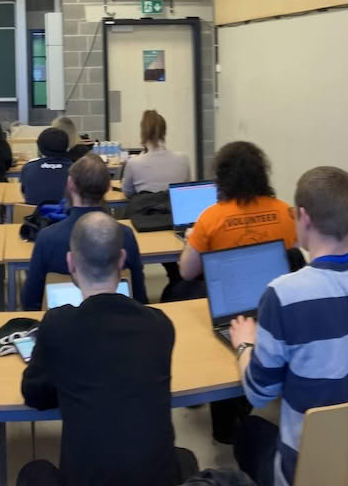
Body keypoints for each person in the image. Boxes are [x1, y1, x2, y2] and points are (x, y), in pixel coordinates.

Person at [229, 167, 348, 486]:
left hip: (309, 473)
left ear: (303, 217)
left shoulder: (284, 294)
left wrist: (244, 344)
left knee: (249, 433)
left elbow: (259, 392)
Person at [19, 212, 190, 486]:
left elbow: (34, 394)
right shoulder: (160, 325)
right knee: (183, 458)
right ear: (122, 260)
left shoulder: (57, 325)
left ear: (71, 262)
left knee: (32, 471)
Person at [21, 155, 148, 311]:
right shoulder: (125, 235)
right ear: (108, 186)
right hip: (117, 319)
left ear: (70, 184)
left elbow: (30, 301)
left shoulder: (47, 238)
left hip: (60, 323)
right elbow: (140, 297)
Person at [177, 141, 296, 282]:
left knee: (174, 290)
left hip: (230, 299)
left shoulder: (210, 218)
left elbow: (187, 272)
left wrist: (191, 241)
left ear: (221, 177)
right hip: (278, 297)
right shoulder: (288, 213)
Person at [121, 110, 192, 195]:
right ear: (164, 132)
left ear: (143, 134)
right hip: (174, 208)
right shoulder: (183, 159)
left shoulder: (133, 163)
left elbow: (127, 192)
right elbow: (188, 189)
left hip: (145, 207)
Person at [20, 127, 74, 206]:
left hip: (35, 216)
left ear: (40, 147)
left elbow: (24, 193)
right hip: (66, 216)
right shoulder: (77, 170)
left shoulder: (28, 168)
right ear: (67, 147)